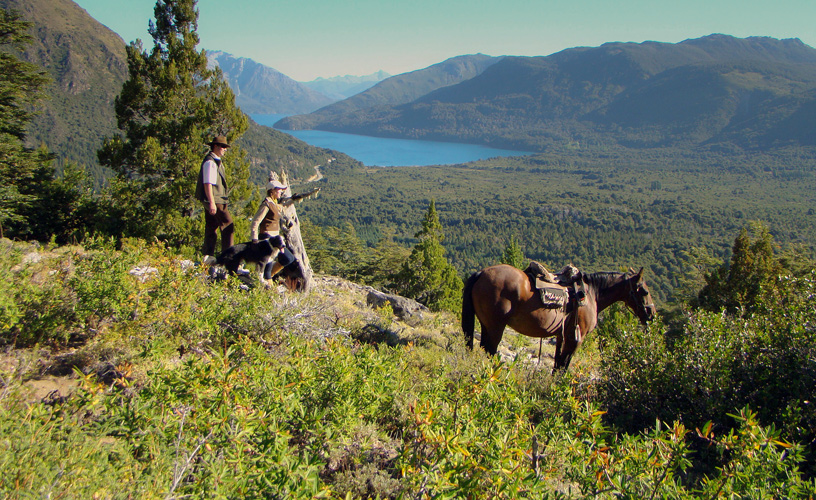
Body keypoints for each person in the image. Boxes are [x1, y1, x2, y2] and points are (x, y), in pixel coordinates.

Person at [195, 135, 234, 265]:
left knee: (211, 226)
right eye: (223, 147)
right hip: (216, 200)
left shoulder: (214, 160)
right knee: (228, 226)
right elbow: (208, 183)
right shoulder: (210, 162)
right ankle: (228, 258)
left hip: (215, 199)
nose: (225, 149)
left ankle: (207, 256)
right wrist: (212, 202)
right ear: (215, 146)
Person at [249, 179, 299, 282]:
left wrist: (292, 199)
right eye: (279, 190)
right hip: (267, 238)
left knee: (288, 258)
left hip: (275, 239)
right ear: (272, 191)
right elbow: (255, 222)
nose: (281, 191)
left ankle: (267, 278)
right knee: (268, 264)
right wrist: (254, 239)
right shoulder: (266, 204)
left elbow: (282, 207)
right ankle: (267, 286)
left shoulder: (274, 204)